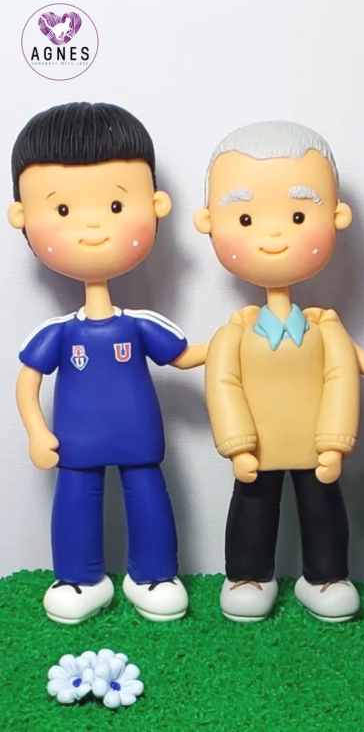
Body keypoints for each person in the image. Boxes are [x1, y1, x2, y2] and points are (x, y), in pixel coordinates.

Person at [11, 102, 207, 624]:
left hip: (138, 438)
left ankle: (154, 575)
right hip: (75, 443)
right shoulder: (57, 332)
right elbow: (28, 382)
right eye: (62, 211)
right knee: (76, 501)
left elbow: (185, 356)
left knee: (148, 497)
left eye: (117, 206)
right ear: (21, 216)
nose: (93, 224)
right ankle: (79, 579)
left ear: (156, 205)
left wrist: (233, 340)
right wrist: (36, 431)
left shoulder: (140, 325)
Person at [195, 121, 361, 623]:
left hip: (314, 446)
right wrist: (237, 443)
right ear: (207, 221)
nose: (273, 234)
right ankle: (248, 575)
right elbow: (223, 386)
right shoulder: (234, 334)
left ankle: (326, 576)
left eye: (297, 215)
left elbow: (341, 381)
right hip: (258, 448)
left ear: (337, 216)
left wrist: (334, 441)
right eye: (245, 218)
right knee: (252, 505)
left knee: (322, 506)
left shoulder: (326, 330)